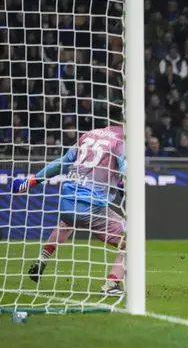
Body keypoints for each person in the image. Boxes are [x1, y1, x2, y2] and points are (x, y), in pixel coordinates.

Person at [12, 107, 128, 296]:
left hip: (66, 200)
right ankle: (112, 284)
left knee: (68, 220)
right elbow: (125, 168)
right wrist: (125, 182)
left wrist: (31, 181)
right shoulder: (121, 141)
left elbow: (62, 162)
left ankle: (43, 258)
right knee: (132, 242)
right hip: (92, 206)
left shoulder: (88, 135)